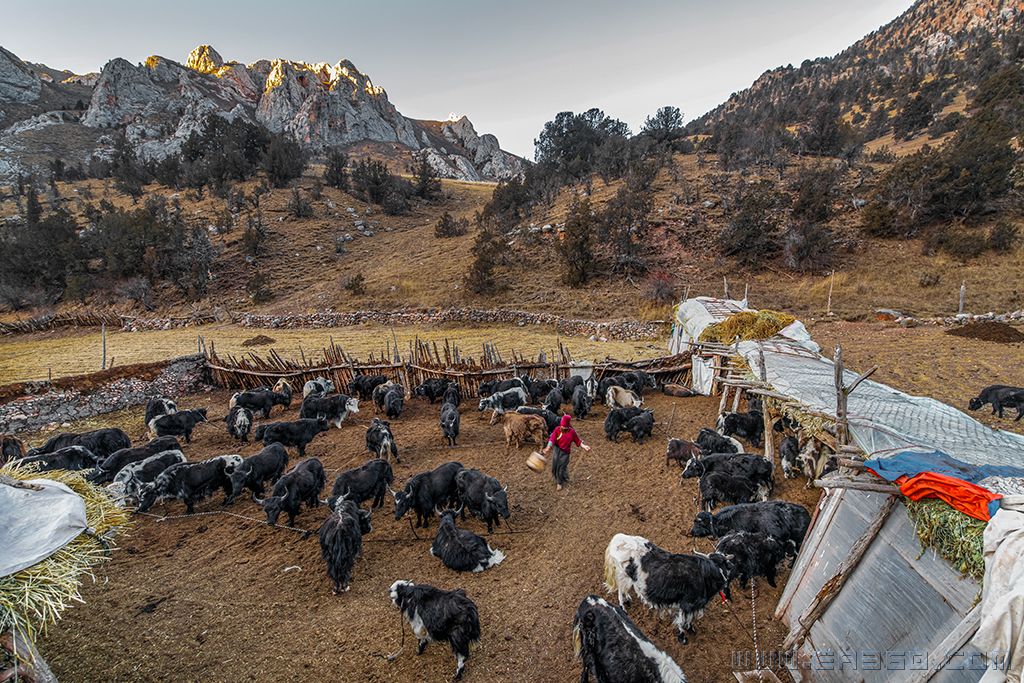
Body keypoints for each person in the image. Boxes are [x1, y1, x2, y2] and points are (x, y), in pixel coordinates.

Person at [543, 414, 591, 491]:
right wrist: (548, 447)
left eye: (565, 428)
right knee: (554, 466)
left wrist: (584, 446)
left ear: (568, 427)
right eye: (562, 427)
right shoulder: (557, 429)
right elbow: (552, 439)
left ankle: (559, 482)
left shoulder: (572, 432)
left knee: (561, 467)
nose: (563, 429)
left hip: (565, 453)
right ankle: (559, 477)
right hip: (557, 450)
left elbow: (577, 441)